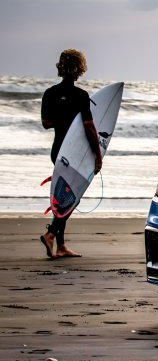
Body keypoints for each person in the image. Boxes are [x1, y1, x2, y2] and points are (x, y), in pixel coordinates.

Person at [40, 49, 102, 258]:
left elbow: (46, 123)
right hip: (74, 152)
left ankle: (61, 246)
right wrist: (98, 155)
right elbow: (89, 128)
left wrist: (62, 119)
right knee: (71, 198)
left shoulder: (50, 93)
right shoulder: (81, 96)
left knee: (64, 195)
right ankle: (51, 234)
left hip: (58, 150)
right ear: (80, 68)